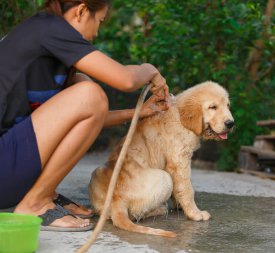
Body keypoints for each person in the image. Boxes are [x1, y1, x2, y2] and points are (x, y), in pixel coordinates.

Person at [0, 0, 169, 231]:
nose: (97, 32)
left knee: (82, 85)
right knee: (89, 94)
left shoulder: (45, 36)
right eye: (99, 21)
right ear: (81, 11)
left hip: (9, 164)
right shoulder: (51, 28)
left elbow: (83, 120)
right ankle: (35, 203)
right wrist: (150, 70)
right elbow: (126, 80)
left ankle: (44, 192)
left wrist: (138, 113)